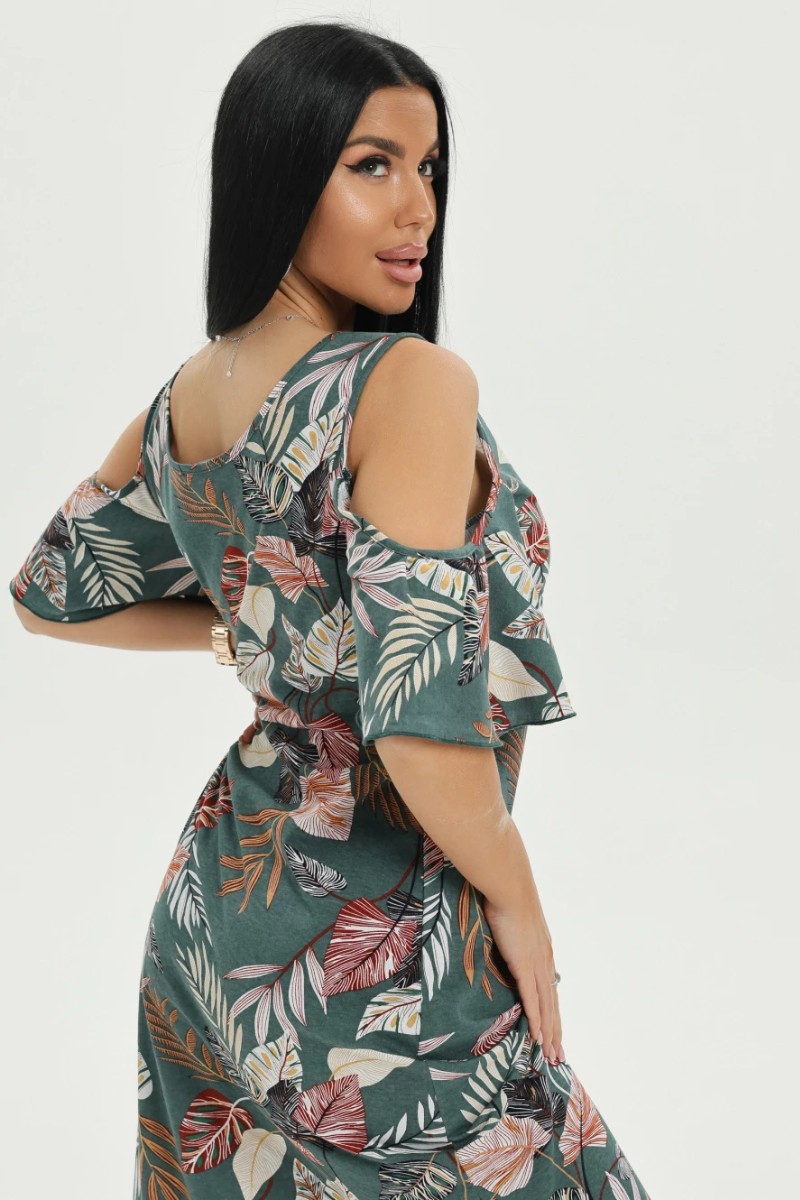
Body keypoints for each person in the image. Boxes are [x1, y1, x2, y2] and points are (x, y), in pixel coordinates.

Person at [8, 20, 652, 1200]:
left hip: (214, 930)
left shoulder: (184, 400)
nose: (418, 209)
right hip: (381, 950)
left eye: (428, 167)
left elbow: (52, 598)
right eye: (372, 165)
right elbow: (413, 722)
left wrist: (254, 626)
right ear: (279, 171)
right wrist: (518, 901)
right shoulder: (406, 383)